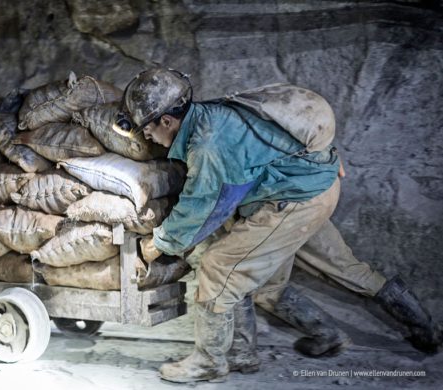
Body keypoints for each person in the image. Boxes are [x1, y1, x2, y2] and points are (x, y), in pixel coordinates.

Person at [115, 67, 442, 383]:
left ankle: (209, 361)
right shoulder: (213, 113)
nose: (148, 137)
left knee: (219, 267)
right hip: (316, 183)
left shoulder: (207, 146)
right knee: (336, 270)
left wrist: (158, 244)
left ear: (168, 120)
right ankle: (389, 330)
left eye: (148, 128)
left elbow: (199, 208)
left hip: (295, 201)